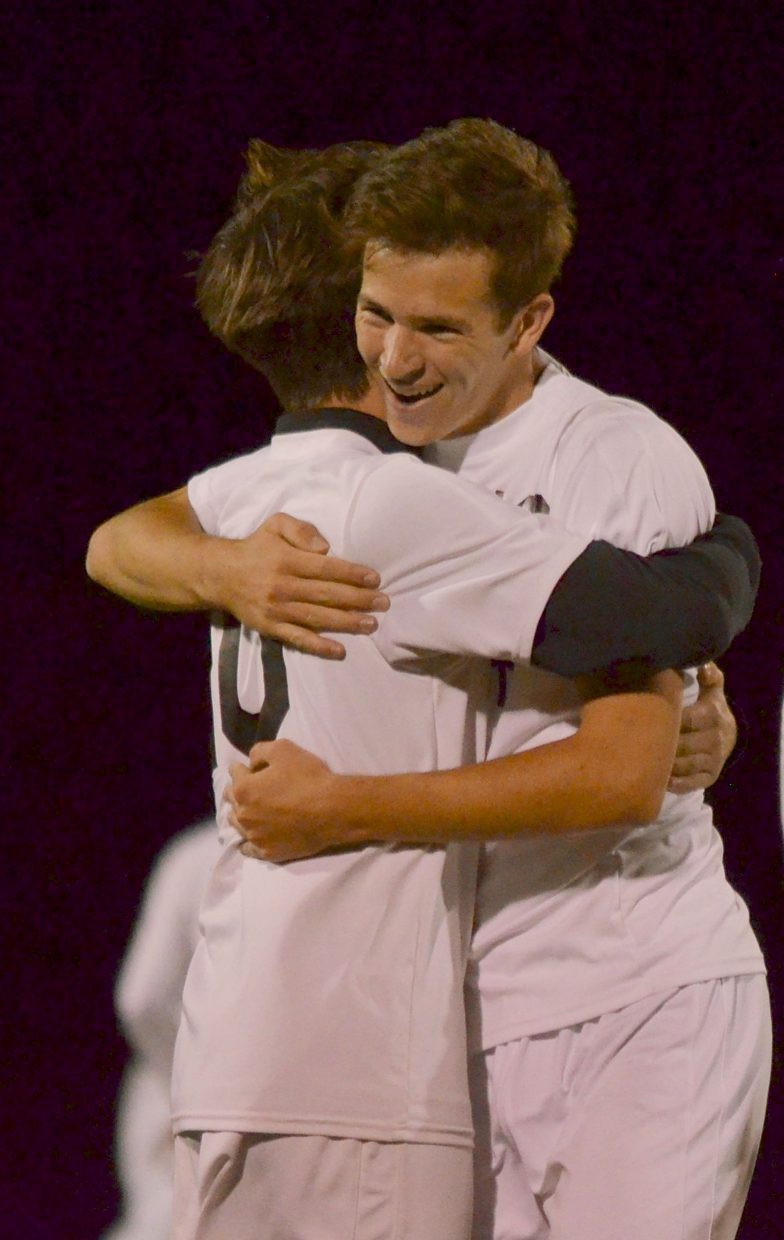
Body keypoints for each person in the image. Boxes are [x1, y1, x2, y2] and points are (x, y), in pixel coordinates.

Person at [85, 132, 762, 1240]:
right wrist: (226, 565)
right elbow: (120, 540)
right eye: (376, 314)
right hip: (460, 1014)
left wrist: (345, 809)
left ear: (527, 323)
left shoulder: (613, 455)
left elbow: (623, 772)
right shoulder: (386, 460)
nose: (397, 357)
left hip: (630, 991)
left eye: (438, 328)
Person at [104, 820, 219, 1240]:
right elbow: (142, 1001)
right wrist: (200, 1091)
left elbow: (142, 999)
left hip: (178, 1093)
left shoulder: (194, 852)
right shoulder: (205, 853)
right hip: (178, 1098)